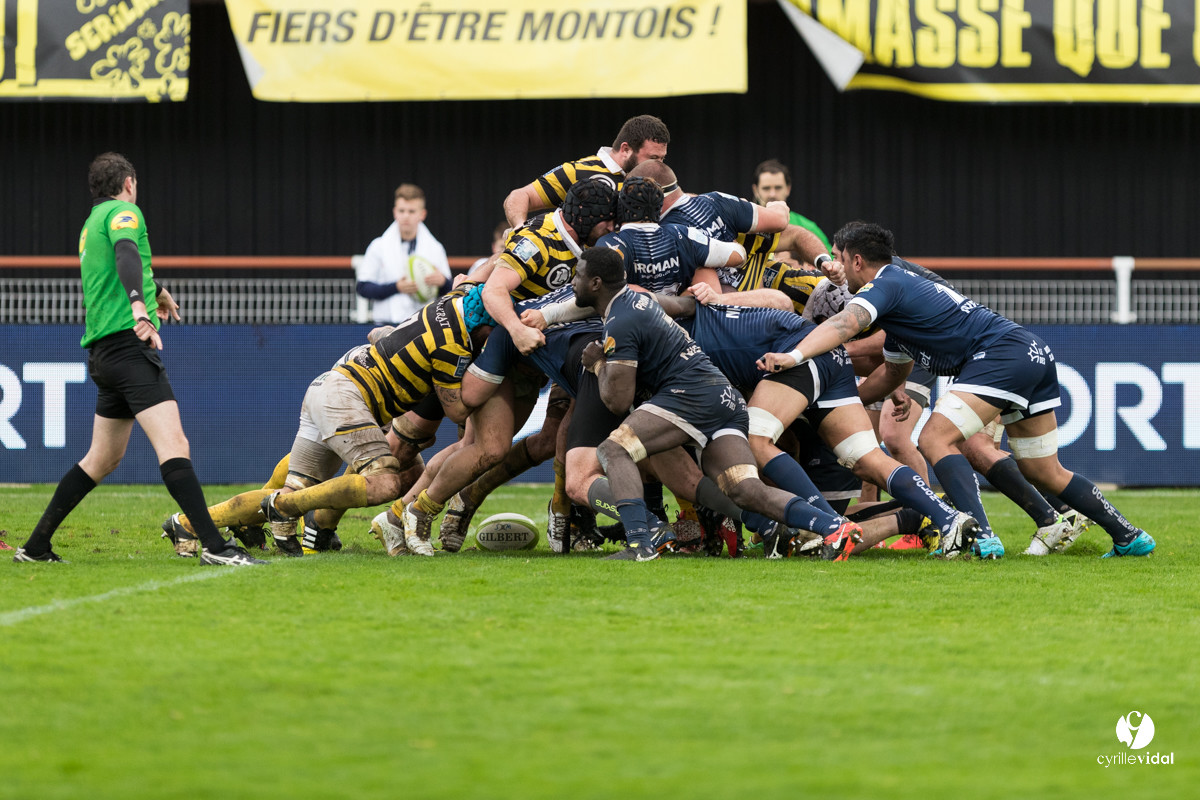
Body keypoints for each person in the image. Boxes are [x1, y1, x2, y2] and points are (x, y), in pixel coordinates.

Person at [765, 221, 1155, 559]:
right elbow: (889, 378)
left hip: (1000, 355)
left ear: (856, 260)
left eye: (837, 255)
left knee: (935, 438)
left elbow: (844, 325)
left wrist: (794, 356)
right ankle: (1128, 536)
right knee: (1043, 470)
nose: (835, 266)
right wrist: (825, 407)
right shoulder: (901, 309)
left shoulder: (886, 283)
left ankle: (981, 537)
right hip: (1030, 352)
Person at [14, 152, 264, 566]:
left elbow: (118, 265)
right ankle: (218, 548)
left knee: (102, 459)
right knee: (174, 444)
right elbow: (127, 253)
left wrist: (156, 289)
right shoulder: (124, 214)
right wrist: (140, 308)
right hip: (129, 349)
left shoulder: (91, 223)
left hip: (103, 355)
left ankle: (36, 546)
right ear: (128, 183)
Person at [573, 247, 864, 562]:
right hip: (723, 398)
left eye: (577, 276)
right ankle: (833, 526)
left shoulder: (620, 318)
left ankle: (641, 545)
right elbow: (684, 305)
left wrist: (599, 363)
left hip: (690, 396)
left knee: (614, 449)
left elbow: (618, 402)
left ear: (596, 283)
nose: (573, 282)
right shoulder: (638, 301)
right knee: (744, 489)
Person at [502, 114, 669, 228]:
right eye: (653, 158)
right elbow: (519, 196)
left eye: (662, 158)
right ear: (625, 149)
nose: (659, 165)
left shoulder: (656, 179)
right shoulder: (578, 171)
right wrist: (519, 229)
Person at [356, 184, 450, 324]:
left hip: (424, 326)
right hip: (385, 324)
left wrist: (442, 282)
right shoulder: (378, 246)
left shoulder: (435, 248)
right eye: (402, 210)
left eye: (411, 211)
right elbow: (363, 288)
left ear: (422, 214)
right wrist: (396, 287)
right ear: (395, 212)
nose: (406, 216)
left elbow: (450, 292)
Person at [751, 159, 830, 266]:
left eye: (778, 188)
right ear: (755, 190)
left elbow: (831, 264)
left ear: (788, 189)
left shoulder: (808, 227)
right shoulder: (744, 224)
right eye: (766, 188)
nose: (772, 194)